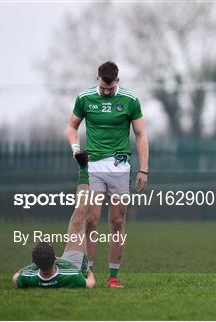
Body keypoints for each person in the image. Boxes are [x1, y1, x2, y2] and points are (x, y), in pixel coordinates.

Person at [66, 61, 149, 288]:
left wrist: (143, 169)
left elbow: (141, 135)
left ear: (118, 82)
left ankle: (113, 277)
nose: (105, 92)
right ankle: (88, 273)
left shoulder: (130, 101)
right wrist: (76, 150)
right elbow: (71, 128)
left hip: (120, 166)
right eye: (103, 87)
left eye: (110, 89)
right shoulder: (85, 98)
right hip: (92, 165)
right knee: (91, 219)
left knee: (117, 221)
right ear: (97, 79)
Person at [12, 183, 96, 288]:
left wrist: (31, 266)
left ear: (35, 264)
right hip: (74, 265)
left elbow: (15, 277)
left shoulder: (28, 277)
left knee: (78, 220)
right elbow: (90, 284)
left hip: (50, 266)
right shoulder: (73, 275)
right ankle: (84, 171)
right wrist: (90, 273)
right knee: (78, 221)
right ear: (55, 257)